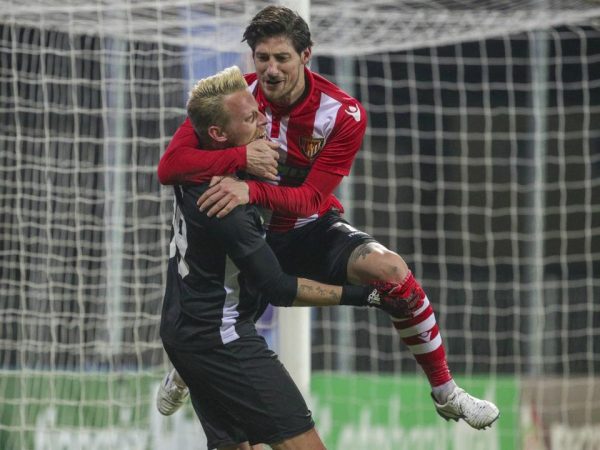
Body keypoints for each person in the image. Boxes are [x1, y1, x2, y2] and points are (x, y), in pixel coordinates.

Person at [157, 5, 499, 431]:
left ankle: (446, 392)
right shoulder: (233, 102)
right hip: (252, 237)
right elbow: (169, 167)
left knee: (393, 272)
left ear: (306, 55)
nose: (271, 70)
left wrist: (252, 188)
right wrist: (241, 157)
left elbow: (310, 200)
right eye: (263, 58)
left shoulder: (342, 114)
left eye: (282, 58)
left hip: (308, 229)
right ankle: (184, 370)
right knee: (218, 321)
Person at [160, 65, 412, 450]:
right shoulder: (226, 204)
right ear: (219, 134)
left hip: (183, 328)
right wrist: (371, 296)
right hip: (221, 338)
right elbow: (278, 288)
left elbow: (171, 166)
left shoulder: (195, 167)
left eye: (258, 111)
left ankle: (181, 376)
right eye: (250, 118)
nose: (264, 121)